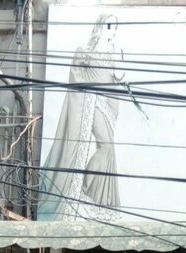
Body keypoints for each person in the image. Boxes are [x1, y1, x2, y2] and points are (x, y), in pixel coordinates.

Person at [38, 14, 125, 220]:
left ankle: (96, 198)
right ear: (99, 27)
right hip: (93, 103)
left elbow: (120, 76)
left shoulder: (114, 53)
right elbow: (75, 79)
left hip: (111, 106)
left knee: (107, 148)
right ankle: (84, 189)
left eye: (115, 26)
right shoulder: (84, 52)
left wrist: (116, 51)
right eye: (109, 25)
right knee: (106, 146)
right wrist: (90, 95)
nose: (112, 30)